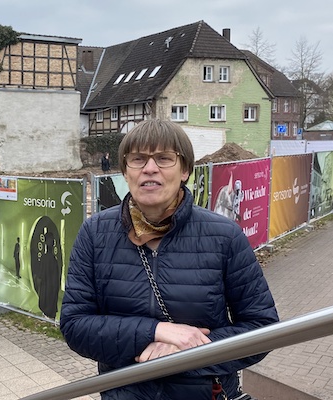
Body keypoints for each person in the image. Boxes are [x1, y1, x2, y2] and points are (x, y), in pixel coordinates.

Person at [60, 119, 278, 399]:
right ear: (126, 171)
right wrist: (156, 331)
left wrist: (188, 349)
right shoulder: (95, 234)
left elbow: (262, 328)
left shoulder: (224, 236)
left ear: (185, 170)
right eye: (138, 159)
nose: (150, 168)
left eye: (164, 158)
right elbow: (75, 325)